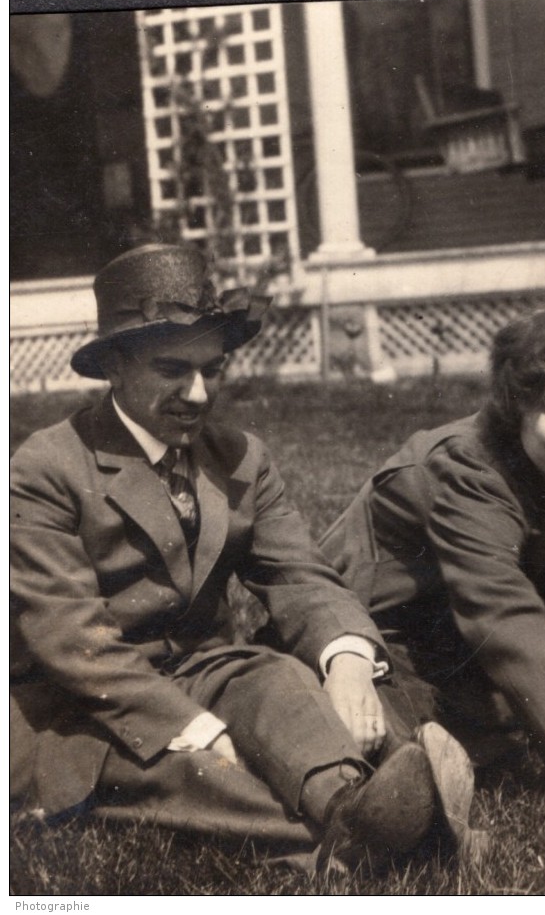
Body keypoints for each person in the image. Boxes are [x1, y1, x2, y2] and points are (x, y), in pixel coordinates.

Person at [10, 243, 476, 879]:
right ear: (115, 366)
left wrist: (345, 662)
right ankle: (370, 833)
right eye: (173, 369)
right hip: (85, 705)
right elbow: (72, 643)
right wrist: (195, 726)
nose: (199, 393)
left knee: (278, 681)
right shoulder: (46, 467)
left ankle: (349, 797)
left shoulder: (240, 457)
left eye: (214, 368)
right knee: (195, 770)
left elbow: (298, 574)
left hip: (208, 668)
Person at [321, 306, 545, 812]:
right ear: (516, 409)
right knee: (413, 718)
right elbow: (502, 613)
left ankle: (503, 730)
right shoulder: (469, 466)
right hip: (384, 628)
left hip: (470, 630)